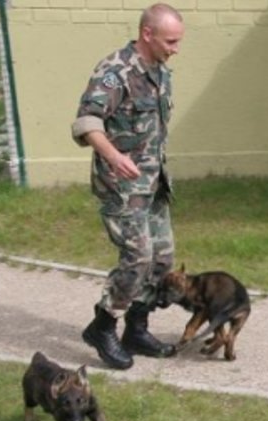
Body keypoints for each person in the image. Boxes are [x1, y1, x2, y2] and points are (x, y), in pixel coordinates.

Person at [71, 3, 185, 369]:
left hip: (153, 184)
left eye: (179, 41)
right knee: (137, 258)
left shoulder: (160, 72)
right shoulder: (115, 71)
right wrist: (114, 156)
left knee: (162, 259)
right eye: (170, 41)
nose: (175, 49)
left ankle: (137, 328)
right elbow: (87, 121)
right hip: (121, 187)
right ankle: (103, 326)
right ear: (147, 34)